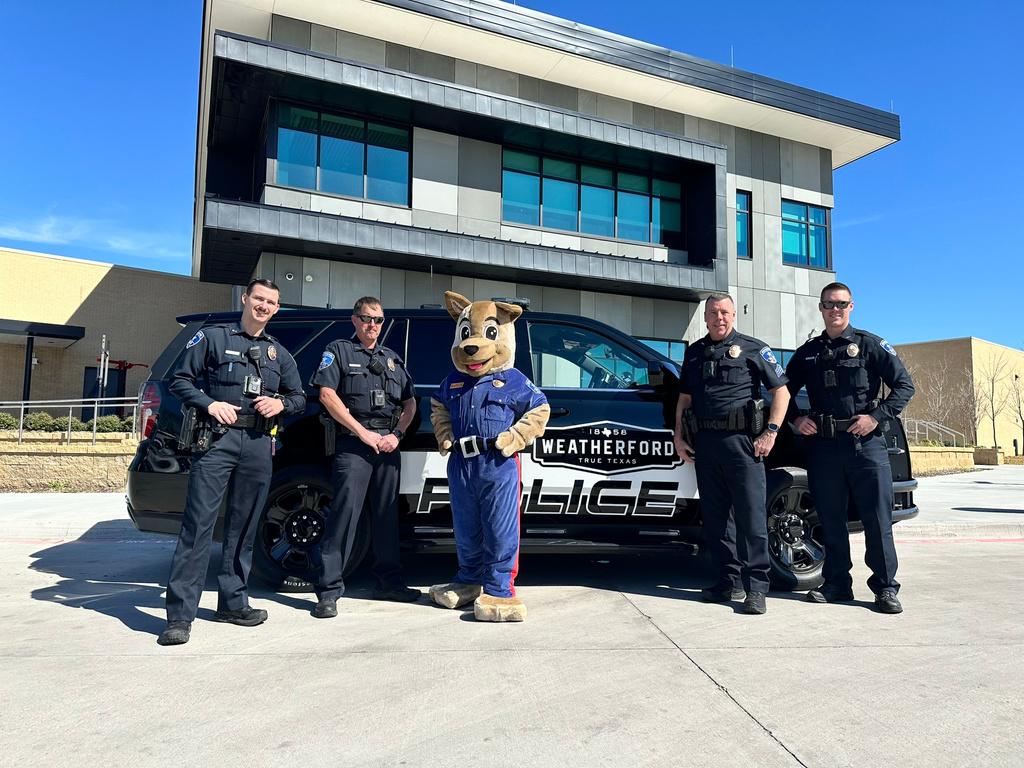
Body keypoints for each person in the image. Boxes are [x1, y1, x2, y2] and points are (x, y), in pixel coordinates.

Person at [158, 278, 306, 646]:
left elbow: (299, 397)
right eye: (259, 298)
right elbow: (179, 380)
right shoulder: (212, 338)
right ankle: (179, 617)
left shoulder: (278, 353)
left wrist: (280, 403)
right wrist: (209, 403)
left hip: (258, 443)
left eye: (271, 302)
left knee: (244, 527)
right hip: (217, 441)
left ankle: (233, 603)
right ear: (245, 298)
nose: (264, 306)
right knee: (198, 527)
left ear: (277, 308)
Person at [785, 282, 914, 614]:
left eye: (841, 304)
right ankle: (837, 584)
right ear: (821, 308)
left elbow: (904, 386)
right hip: (824, 448)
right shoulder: (808, 352)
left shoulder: (870, 345)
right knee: (830, 521)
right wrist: (797, 419)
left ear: (851, 307)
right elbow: (782, 390)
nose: (835, 310)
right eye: (829, 304)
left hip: (865, 446)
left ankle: (885, 588)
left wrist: (876, 417)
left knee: (877, 521)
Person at [674, 294, 791, 615]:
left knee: (751, 517)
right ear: (705, 317)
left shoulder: (753, 348)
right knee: (717, 519)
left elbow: (781, 392)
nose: (719, 318)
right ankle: (729, 581)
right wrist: (679, 436)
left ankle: (757, 589)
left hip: (743, 444)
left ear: (734, 315)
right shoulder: (695, 352)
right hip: (706, 443)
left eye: (724, 312)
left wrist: (771, 432)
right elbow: (684, 399)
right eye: (713, 313)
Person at [308, 296, 419, 618]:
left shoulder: (392, 359)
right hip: (355, 444)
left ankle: (389, 583)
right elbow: (327, 394)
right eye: (367, 318)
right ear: (355, 320)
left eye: (378, 320)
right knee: (345, 515)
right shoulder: (339, 350)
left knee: (387, 516)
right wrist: (362, 433)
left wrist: (397, 435)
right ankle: (328, 591)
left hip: (387, 445)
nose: (373, 325)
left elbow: (410, 402)